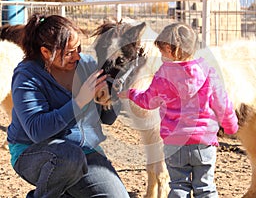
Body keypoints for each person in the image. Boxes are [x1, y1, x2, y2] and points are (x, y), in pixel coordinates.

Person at [7, 14, 130, 198]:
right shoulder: (27, 76)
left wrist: (113, 99)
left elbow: (108, 119)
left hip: (85, 151)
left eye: (78, 48)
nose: (77, 56)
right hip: (33, 151)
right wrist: (80, 101)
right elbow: (37, 131)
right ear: (46, 52)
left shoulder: (87, 64)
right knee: (69, 157)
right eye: (69, 52)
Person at [118, 22, 239, 197]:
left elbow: (148, 101)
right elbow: (223, 103)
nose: (160, 57)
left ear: (169, 49)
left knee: (178, 187)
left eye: (161, 52)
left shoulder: (162, 75)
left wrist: (132, 93)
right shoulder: (208, 71)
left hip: (174, 144)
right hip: (204, 142)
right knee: (205, 187)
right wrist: (231, 126)